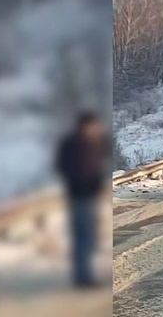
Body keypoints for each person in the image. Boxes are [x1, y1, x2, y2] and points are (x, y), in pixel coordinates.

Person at [56, 112, 109, 288]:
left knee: (87, 237)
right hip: (80, 194)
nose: (96, 130)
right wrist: (82, 183)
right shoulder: (76, 145)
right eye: (93, 127)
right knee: (84, 237)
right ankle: (83, 277)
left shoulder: (90, 143)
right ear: (85, 126)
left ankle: (83, 274)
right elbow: (66, 168)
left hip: (87, 194)